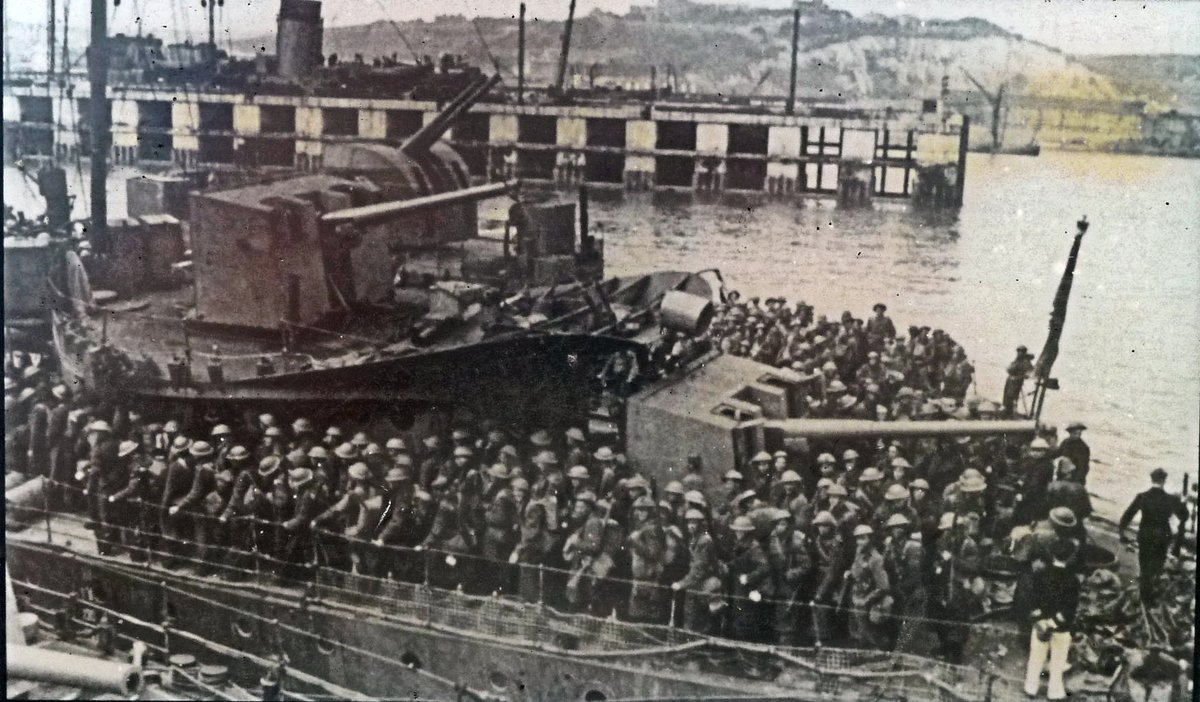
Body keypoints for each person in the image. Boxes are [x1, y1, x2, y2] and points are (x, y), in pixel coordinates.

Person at [1118, 468, 1188, 603]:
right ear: (1164, 481)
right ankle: (1151, 592)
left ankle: (1145, 595)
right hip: (1163, 536)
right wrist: (1183, 503)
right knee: (1157, 564)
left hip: (1145, 535)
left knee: (1144, 565)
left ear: (1152, 479)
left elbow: (1127, 516)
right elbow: (1184, 516)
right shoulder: (1171, 499)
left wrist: (1121, 532)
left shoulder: (1142, 496)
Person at [1023, 541, 1080, 701]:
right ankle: (1054, 692)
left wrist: (1040, 620)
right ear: (1070, 557)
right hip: (1061, 626)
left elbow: (1032, 601)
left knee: (1036, 656)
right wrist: (1053, 622)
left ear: (1052, 555)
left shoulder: (1040, 574)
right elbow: (1070, 608)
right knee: (1058, 660)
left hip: (1040, 624)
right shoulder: (1073, 580)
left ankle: (1030, 688)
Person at [1002, 346, 1035, 417]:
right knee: (1007, 396)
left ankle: (1010, 412)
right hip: (1010, 380)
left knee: (1012, 396)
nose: (1019, 353)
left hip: (1016, 382)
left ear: (1024, 352)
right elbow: (1010, 369)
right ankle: (1007, 411)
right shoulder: (1016, 361)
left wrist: (1018, 377)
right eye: (1018, 351)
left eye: (1021, 351)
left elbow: (1029, 373)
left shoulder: (1026, 362)